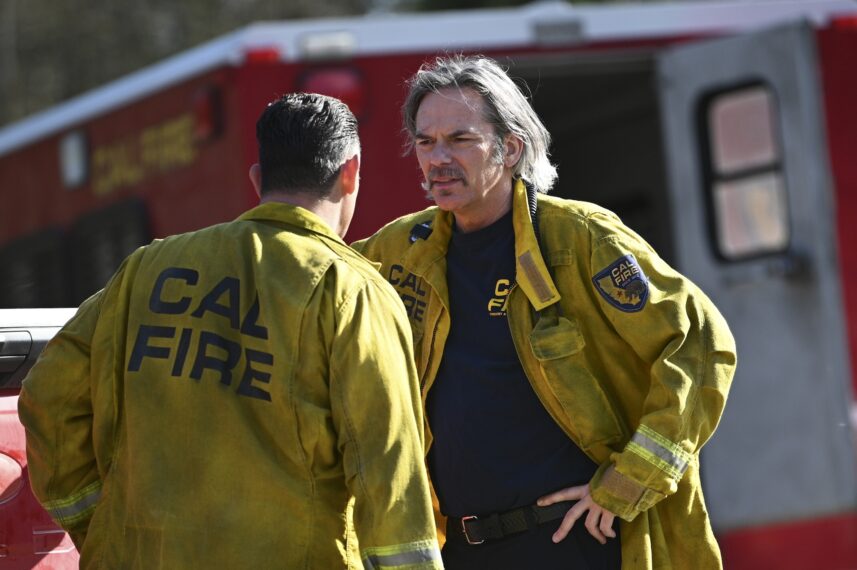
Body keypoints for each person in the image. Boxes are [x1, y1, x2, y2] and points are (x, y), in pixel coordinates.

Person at [19, 93, 443, 570]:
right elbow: (389, 479)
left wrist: (102, 521)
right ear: (350, 172)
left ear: (259, 179)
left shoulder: (146, 270)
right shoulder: (351, 292)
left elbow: (49, 398)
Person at [353, 55, 737, 569]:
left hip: (571, 544)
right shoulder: (398, 250)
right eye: (425, 142)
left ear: (510, 148)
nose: (437, 158)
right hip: (462, 550)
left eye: (460, 139)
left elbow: (699, 345)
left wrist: (626, 483)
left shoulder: (580, 237)